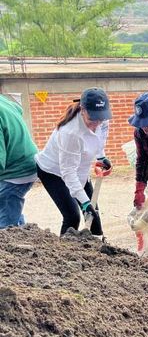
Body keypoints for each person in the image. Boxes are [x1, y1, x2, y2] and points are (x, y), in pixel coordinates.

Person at [36, 88, 112, 236]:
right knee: (73, 216)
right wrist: (84, 202)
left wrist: (101, 156)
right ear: (82, 110)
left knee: (93, 213)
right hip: (53, 172)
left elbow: (99, 138)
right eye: (92, 120)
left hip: (78, 170)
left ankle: (100, 250)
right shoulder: (70, 133)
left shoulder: (101, 118)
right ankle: (63, 254)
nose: (96, 123)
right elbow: (68, 172)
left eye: (100, 119)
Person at [0, 95, 38, 228]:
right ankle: (19, 229)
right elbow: (18, 109)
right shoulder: (3, 100)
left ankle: (9, 237)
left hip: (15, 172)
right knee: (10, 205)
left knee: (4, 221)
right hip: (28, 163)